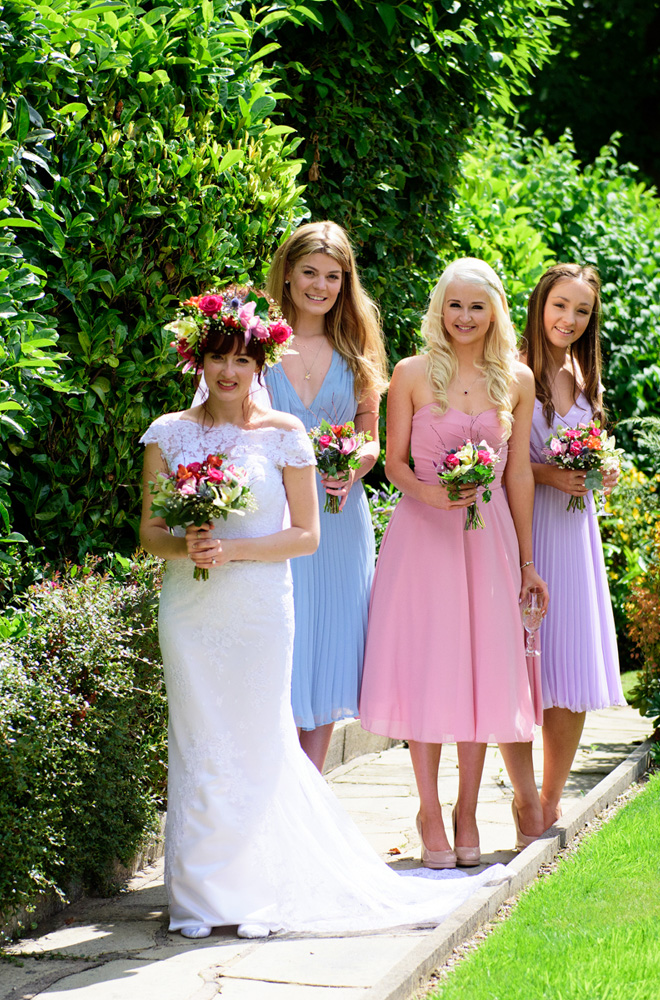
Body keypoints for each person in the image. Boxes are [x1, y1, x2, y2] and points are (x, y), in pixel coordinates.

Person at [140, 303, 503, 940]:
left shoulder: (284, 432)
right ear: (198, 360)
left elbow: (306, 535)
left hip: (258, 606)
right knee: (198, 741)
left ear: (259, 366)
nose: (230, 371)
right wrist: (185, 546)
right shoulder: (167, 432)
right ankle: (198, 897)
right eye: (218, 357)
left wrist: (233, 552)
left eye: (243, 359)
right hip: (190, 611)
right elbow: (149, 531)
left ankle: (256, 892)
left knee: (255, 738)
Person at [359, 258, 549, 869]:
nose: (464, 317)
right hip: (422, 536)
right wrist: (435, 494)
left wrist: (527, 561)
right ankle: (430, 812)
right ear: (439, 309)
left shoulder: (515, 380)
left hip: (487, 540)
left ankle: (468, 809)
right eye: (454, 305)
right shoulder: (411, 374)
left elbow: (517, 472)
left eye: (477, 306)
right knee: (429, 667)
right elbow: (392, 464)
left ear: (494, 311)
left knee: (478, 670)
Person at [261, 222, 388, 771]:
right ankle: (279, 783)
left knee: (332, 645)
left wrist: (358, 462)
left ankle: (310, 789)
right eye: (309, 272)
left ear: (346, 281)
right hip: (277, 515)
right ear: (287, 275)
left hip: (339, 515)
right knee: (283, 645)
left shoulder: (355, 345)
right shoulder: (258, 343)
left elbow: (370, 433)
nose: (320, 285)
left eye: (333, 276)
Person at [522, 264, 625, 830]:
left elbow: (590, 447)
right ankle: (520, 794)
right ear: (541, 303)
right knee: (524, 658)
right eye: (561, 305)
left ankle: (550, 797)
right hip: (529, 527)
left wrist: (602, 469)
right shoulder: (513, 369)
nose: (569, 319)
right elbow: (500, 459)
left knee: (571, 663)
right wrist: (546, 475)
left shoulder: (584, 376)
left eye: (582, 311)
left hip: (576, 529)